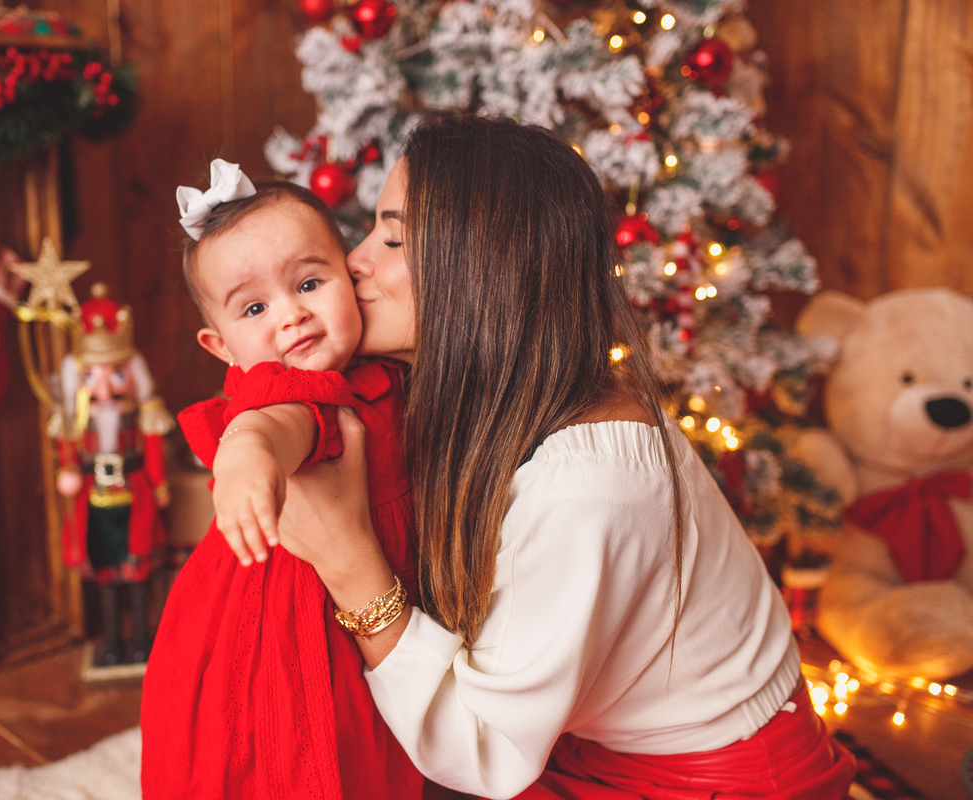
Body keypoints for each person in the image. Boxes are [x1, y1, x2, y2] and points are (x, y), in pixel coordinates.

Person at [272, 113, 857, 799]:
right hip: (605, 748)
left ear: (484, 269)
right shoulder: (506, 400)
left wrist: (349, 561)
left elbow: (482, 754)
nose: (355, 260)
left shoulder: (586, 485)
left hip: (718, 784)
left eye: (394, 238)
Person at [140, 160, 424, 799]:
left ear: (351, 279)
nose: (291, 315)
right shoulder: (299, 391)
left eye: (309, 283)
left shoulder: (388, 371)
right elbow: (277, 421)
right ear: (221, 347)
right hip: (291, 622)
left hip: (376, 597)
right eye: (255, 307)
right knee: (289, 755)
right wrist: (247, 452)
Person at [55, 283, 173, 666]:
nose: (104, 389)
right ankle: (112, 641)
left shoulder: (142, 415)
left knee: (137, 574)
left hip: (134, 495)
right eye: (91, 378)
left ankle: (141, 639)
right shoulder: (75, 421)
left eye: (117, 375)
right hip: (94, 502)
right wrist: (68, 472)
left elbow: (152, 451)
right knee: (106, 577)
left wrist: (159, 485)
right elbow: (67, 453)